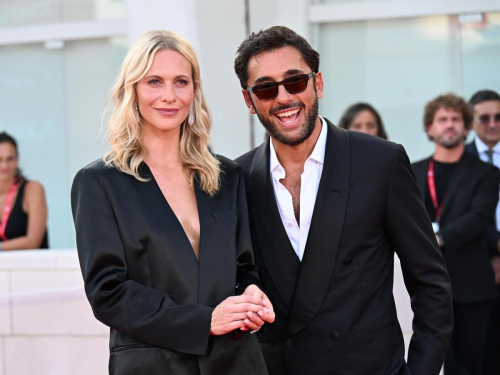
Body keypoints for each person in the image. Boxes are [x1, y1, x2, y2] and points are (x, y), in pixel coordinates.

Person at [234, 26, 453, 375]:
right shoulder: (238, 179)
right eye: (265, 88)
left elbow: (431, 283)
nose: (283, 98)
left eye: (295, 81)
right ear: (249, 101)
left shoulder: (380, 162)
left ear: (317, 84)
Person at [71, 30, 274, 375]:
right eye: (154, 81)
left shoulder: (227, 176)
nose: (169, 96)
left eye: (181, 82)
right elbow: (108, 293)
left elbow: (244, 269)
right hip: (152, 365)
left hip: (236, 362)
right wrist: (205, 320)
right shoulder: (99, 183)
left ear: (194, 91)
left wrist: (251, 296)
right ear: (132, 91)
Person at [412, 93, 499, 374]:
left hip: (473, 287)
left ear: (466, 127)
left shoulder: (486, 173)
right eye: (442, 119)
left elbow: (479, 217)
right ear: (430, 128)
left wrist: (439, 237)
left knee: (475, 366)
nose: (449, 125)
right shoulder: (413, 170)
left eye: (456, 119)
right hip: (426, 288)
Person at [466, 89, 500, 374]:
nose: (492, 124)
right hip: (478, 264)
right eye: (485, 117)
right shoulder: (459, 159)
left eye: (499, 117)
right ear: (472, 121)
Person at [0, 132, 48, 250]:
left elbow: (33, 241)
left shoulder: (32, 189)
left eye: (9, 159)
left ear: (17, 159)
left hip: (33, 266)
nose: (4, 165)